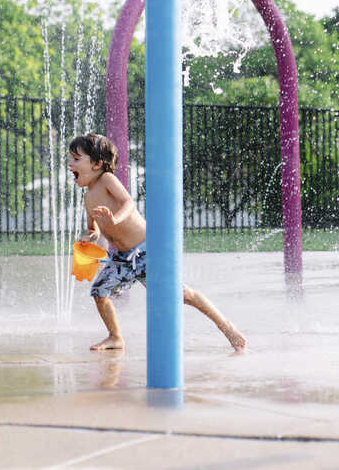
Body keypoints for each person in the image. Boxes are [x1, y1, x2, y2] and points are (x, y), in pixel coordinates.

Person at [67, 133, 246, 353]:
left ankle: (227, 328)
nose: (70, 164)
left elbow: (128, 203)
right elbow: (92, 229)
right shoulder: (88, 197)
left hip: (146, 250)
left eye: (76, 159)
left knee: (182, 294)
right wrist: (87, 239)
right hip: (124, 258)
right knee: (99, 292)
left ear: (96, 164)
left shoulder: (106, 180)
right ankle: (115, 337)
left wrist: (115, 219)